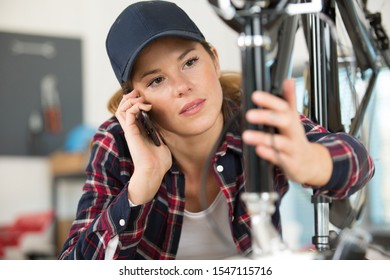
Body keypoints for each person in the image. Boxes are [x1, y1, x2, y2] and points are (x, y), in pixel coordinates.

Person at [58, 0, 374, 260]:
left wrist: (312, 160)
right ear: (137, 100)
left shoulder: (255, 115)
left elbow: (360, 162)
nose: (183, 86)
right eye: (157, 80)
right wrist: (142, 184)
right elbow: (74, 265)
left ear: (214, 60)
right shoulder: (116, 142)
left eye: (189, 62)